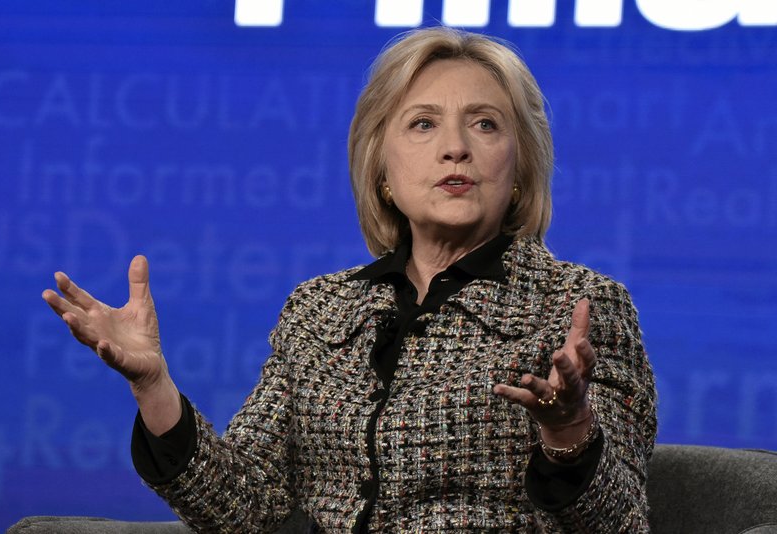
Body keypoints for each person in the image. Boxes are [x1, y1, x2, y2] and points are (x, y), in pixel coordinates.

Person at [42, 27, 656, 532]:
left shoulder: (578, 306)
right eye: (422, 124)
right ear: (381, 168)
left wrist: (570, 431)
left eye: (485, 124)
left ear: (519, 166)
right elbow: (246, 509)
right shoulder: (319, 309)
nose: (456, 149)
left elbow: (624, 523)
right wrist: (155, 388)